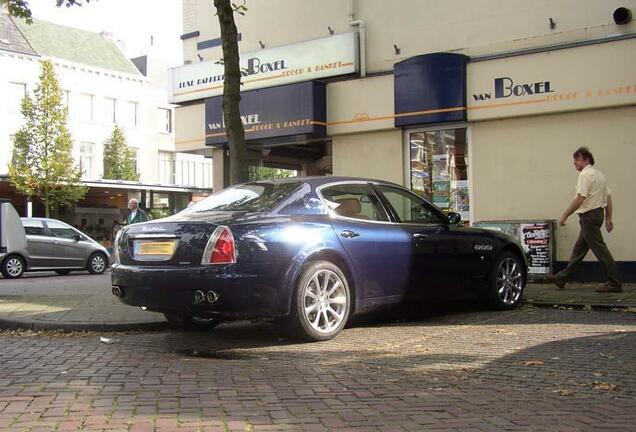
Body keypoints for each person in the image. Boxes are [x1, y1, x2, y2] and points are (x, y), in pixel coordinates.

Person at [548, 147, 623, 293]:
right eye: (574, 159)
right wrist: (608, 218)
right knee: (579, 251)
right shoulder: (600, 175)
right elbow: (608, 197)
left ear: (587, 159)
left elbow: (580, 198)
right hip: (596, 215)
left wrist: (565, 215)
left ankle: (615, 282)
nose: (574, 162)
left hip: (588, 217)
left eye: (577, 159)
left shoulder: (585, 174)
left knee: (600, 249)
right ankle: (562, 277)